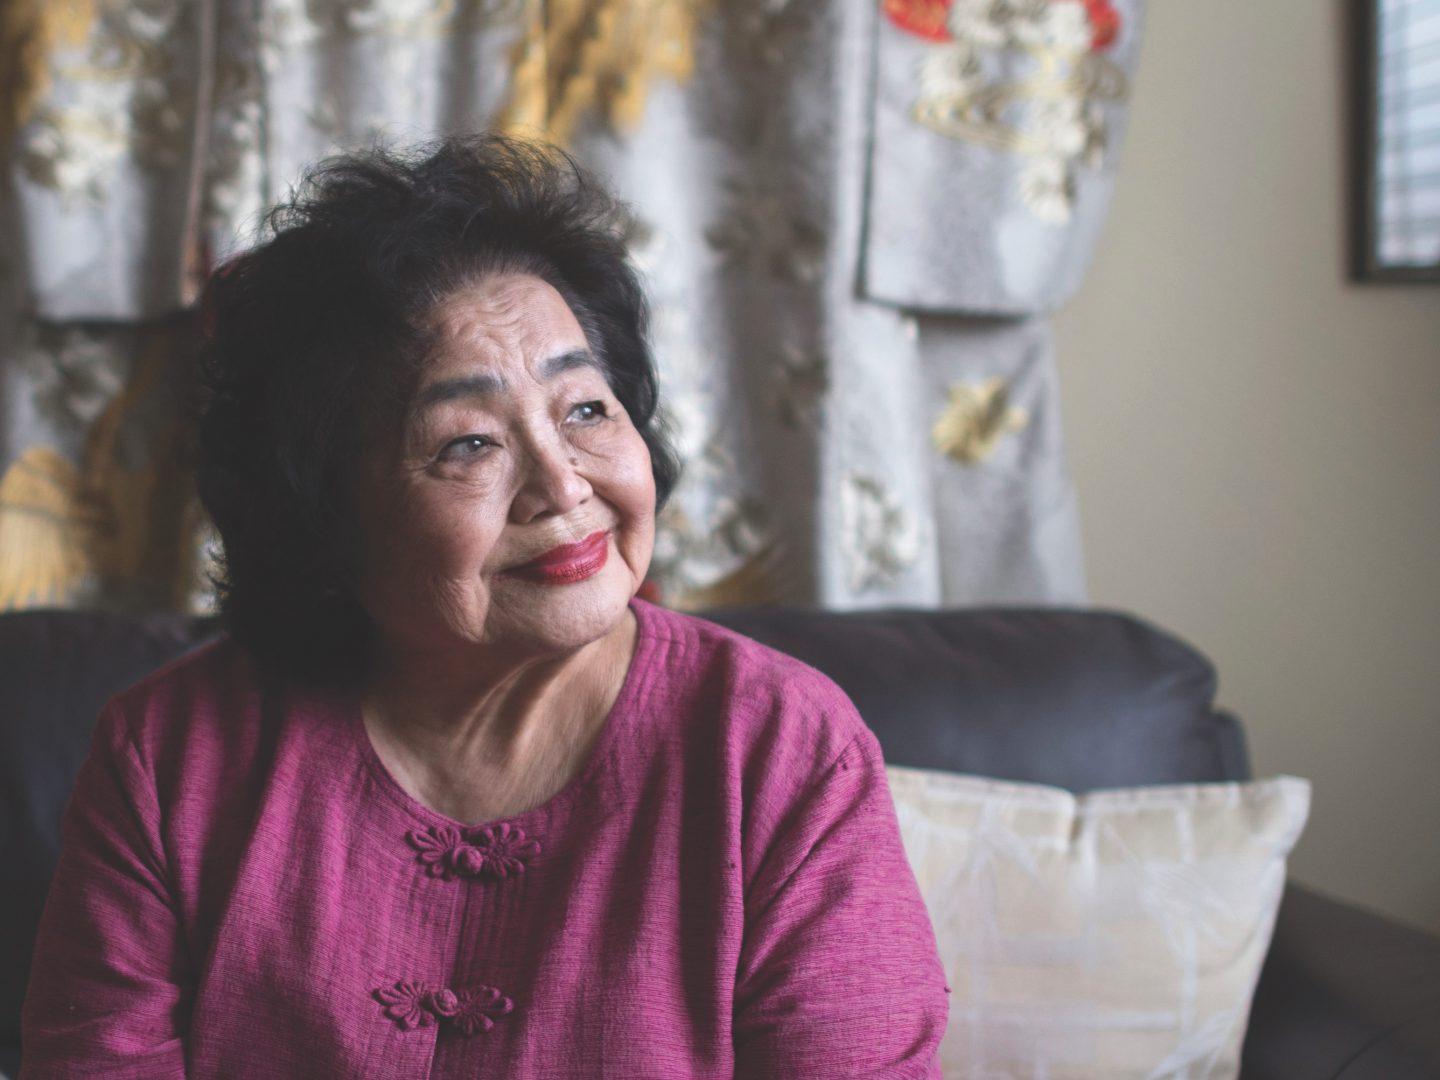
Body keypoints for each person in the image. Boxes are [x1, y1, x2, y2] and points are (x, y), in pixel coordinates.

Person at [19, 133, 950, 1078]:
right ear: (325, 511)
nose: (562, 484)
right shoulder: (171, 757)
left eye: (585, 408)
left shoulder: (779, 747)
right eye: (467, 443)